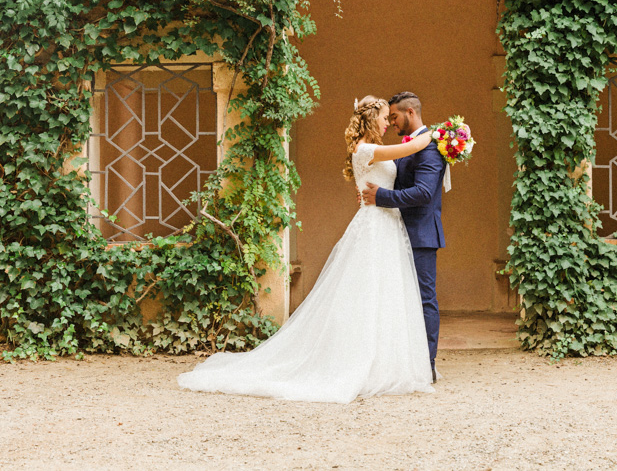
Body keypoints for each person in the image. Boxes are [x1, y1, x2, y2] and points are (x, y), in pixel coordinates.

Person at [177, 96, 435, 403]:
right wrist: (444, 134)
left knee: (386, 294)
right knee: (367, 293)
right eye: (382, 117)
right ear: (370, 120)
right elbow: (411, 148)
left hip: (388, 224)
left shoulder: (373, 149)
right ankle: (360, 362)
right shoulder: (366, 149)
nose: (386, 123)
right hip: (375, 225)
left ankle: (386, 362)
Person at [360, 91, 446, 383]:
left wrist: (381, 196)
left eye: (394, 116)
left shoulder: (431, 148)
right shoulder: (406, 145)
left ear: (410, 112)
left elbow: (423, 193)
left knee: (423, 300)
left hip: (421, 234)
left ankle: (427, 365)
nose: (392, 123)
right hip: (394, 233)